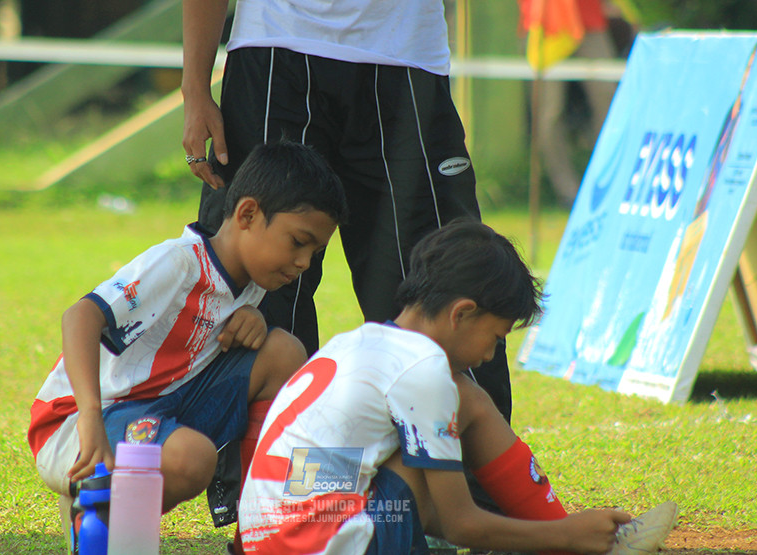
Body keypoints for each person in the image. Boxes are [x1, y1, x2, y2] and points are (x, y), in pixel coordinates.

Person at [181, 0, 515, 426]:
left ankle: (479, 487)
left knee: (443, 279)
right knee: (256, 283)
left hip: (404, 59)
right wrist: (194, 89)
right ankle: (267, 485)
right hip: (276, 58)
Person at [238, 220, 678, 554]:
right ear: (462, 313)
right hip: (316, 540)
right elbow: (462, 525)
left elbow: (403, 499)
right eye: (496, 336)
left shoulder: (356, 343)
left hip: (270, 540)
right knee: (465, 404)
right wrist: (565, 534)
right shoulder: (424, 369)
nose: (489, 355)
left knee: (418, 453)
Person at [27, 142, 349, 531]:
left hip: (164, 407)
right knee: (192, 458)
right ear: (247, 213)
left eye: (315, 252)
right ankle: (97, 514)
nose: (303, 262)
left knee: (284, 352)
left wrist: (256, 320)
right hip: (78, 423)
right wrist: (90, 417)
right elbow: (80, 316)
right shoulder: (178, 263)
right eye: (298, 242)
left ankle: (260, 525)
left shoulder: (252, 284)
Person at [518, 0, 621, 207]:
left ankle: (607, 183)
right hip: (548, 22)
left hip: (590, 20)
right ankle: (568, 192)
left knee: (609, 101)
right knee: (550, 112)